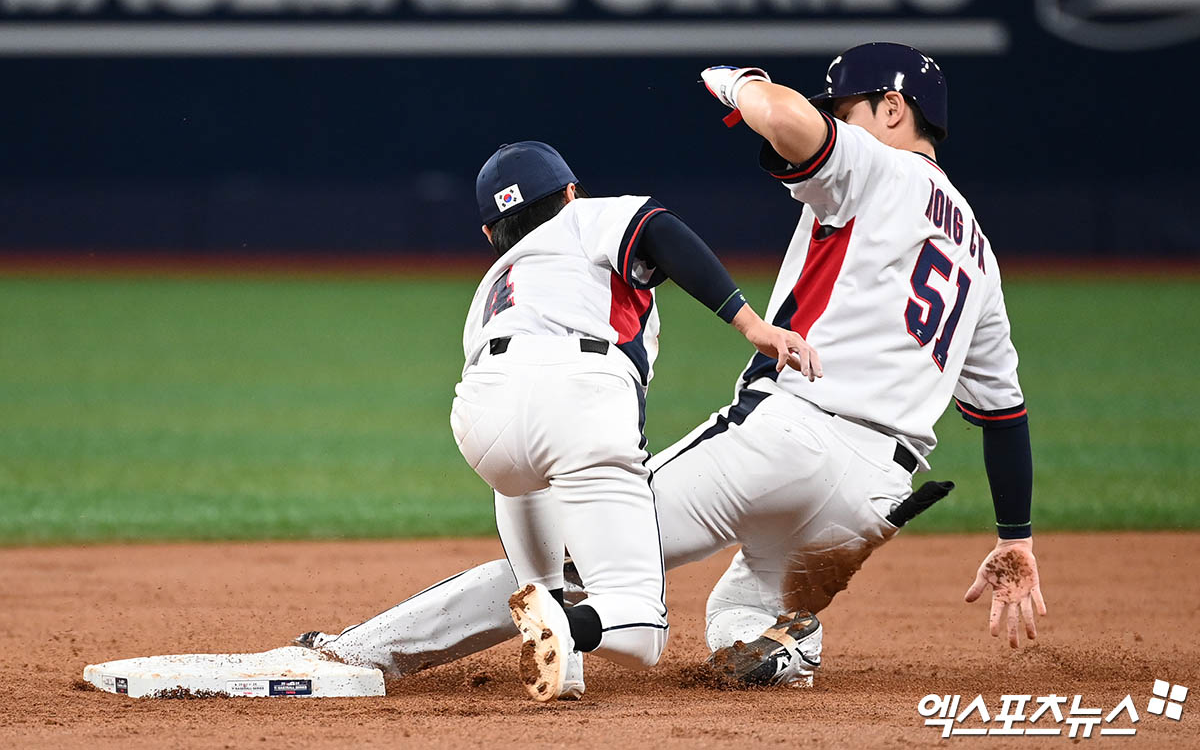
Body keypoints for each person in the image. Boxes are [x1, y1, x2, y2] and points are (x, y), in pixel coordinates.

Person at [296, 43, 1045, 695]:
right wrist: (1017, 537)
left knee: (577, 551)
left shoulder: (878, 167)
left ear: (892, 108)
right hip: (874, 493)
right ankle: (784, 646)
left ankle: (362, 649)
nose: (835, 117)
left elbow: (785, 120)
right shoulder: (980, 256)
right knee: (738, 619)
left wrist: (736, 80)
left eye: (845, 105)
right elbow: (1004, 417)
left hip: (791, 433)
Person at [451, 140, 818, 702]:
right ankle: (569, 629)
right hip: (576, 396)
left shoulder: (492, 287)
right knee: (640, 626)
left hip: (481, 416)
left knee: (526, 488)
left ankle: (552, 625)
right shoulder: (584, 217)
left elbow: (520, 398)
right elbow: (659, 231)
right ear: (570, 192)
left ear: (488, 234)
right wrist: (751, 325)